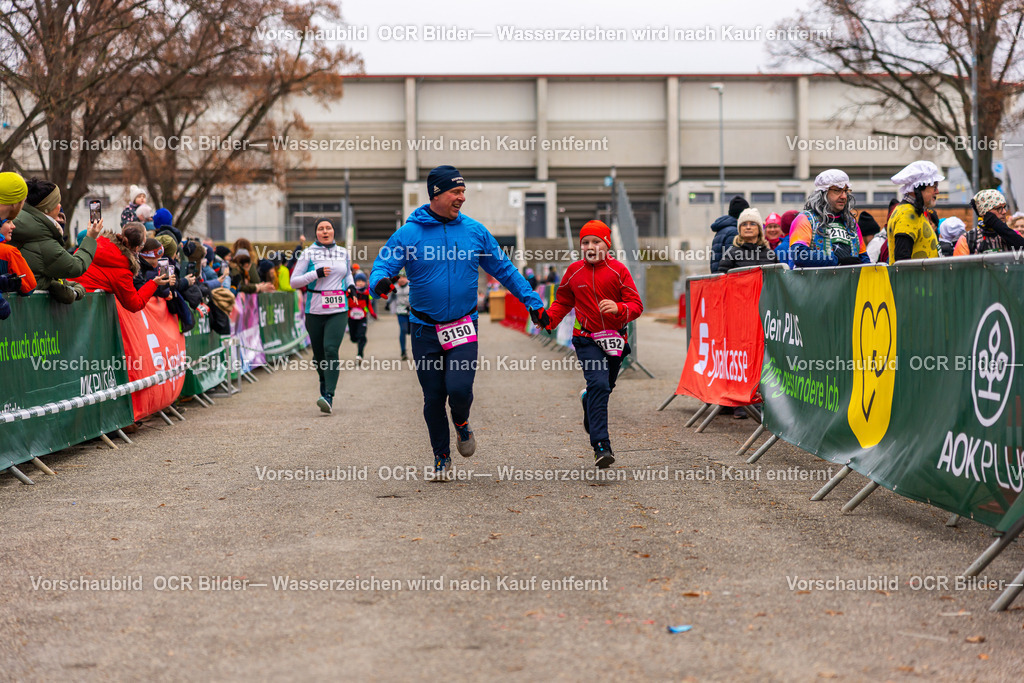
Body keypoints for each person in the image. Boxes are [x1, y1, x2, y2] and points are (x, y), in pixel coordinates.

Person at [369, 164, 548, 481]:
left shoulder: (475, 231)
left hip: (463, 325)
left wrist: (532, 301)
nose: (462, 198)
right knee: (433, 397)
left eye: (464, 191)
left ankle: (462, 423)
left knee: (460, 389)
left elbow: (505, 269)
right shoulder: (409, 233)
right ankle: (441, 458)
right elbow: (382, 264)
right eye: (456, 191)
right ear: (436, 193)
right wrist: (380, 282)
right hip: (424, 329)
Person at [543, 220, 643, 468]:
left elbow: (636, 306)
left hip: (615, 340)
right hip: (586, 338)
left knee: (604, 387)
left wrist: (619, 308)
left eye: (596, 241)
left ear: (606, 244)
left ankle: (588, 400)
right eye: (585, 242)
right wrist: (549, 320)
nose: (590, 246)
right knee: (598, 384)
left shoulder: (619, 271)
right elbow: (563, 301)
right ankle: (601, 446)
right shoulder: (574, 271)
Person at [290, 218, 356, 414]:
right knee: (319, 355)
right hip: (315, 309)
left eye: (328, 228)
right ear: (316, 233)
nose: (325, 231)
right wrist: (315, 274)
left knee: (330, 349)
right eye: (321, 229)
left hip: (338, 308)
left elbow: (347, 274)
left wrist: (351, 286)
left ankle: (329, 395)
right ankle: (323, 380)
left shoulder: (343, 252)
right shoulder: (308, 253)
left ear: (334, 231)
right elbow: (294, 282)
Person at [12, 177, 100, 303]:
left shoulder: (17, 223)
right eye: (56, 203)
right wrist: (91, 238)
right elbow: (76, 267)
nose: (60, 206)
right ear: (46, 209)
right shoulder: (41, 239)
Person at [71, 224, 169, 311]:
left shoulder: (99, 242)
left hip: (67, 293)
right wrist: (154, 284)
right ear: (137, 248)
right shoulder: (122, 269)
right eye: (143, 244)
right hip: (82, 307)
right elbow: (134, 304)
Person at [790, 170, 869, 267]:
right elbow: (799, 255)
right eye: (837, 190)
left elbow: (863, 258)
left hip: (850, 281)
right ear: (823, 193)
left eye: (845, 191)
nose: (844, 196)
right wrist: (837, 262)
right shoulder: (805, 219)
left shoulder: (851, 223)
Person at [887, 161, 944, 263]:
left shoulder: (912, 211)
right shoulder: (907, 214)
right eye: (934, 187)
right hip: (915, 279)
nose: (937, 191)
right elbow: (902, 261)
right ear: (918, 188)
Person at [953, 190, 1024, 256]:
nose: (1004, 212)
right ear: (985, 212)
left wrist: (999, 227)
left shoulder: (1013, 234)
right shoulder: (967, 239)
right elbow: (959, 267)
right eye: (998, 208)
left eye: (1004, 207)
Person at [718, 208, 778, 273]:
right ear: (740, 229)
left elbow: (778, 279)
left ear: (759, 229)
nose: (748, 227)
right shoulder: (731, 255)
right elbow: (722, 280)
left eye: (752, 224)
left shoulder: (770, 255)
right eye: (744, 224)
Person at [710, 195, 749, 273]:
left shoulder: (722, 229)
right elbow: (732, 261)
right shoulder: (734, 232)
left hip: (718, 275)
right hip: (727, 277)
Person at [347, 272, 376, 361]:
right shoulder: (351, 292)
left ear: (365, 282)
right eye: (358, 281)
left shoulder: (366, 293)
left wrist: (372, 313)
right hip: (351, 318)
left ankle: (359, 354)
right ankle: (357, 339)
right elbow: (345, 296)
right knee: (353, 338)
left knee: (361, 335)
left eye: (362, 281)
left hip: (362, 318)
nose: (360, 283)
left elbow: (369, 305)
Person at [389, 271, 411, 360]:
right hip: (400, 311)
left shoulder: (411, 286)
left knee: (411, 331)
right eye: (399, 277)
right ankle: (403, 351)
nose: (401, 279)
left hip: (411, 312)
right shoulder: (395, 287)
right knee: (403, 330)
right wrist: (391, 308)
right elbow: (391, 299)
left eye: (404, 277)